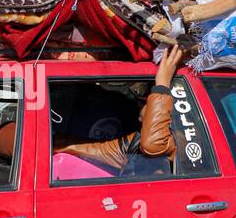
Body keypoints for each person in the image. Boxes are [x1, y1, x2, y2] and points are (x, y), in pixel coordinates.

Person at [51, 45, 185, 176]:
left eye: (147, 99)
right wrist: (51, 142)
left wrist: (162, 85)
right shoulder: (133, 143)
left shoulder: (171, 142)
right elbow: (90, 149)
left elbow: (153, 145)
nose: (141, 102)